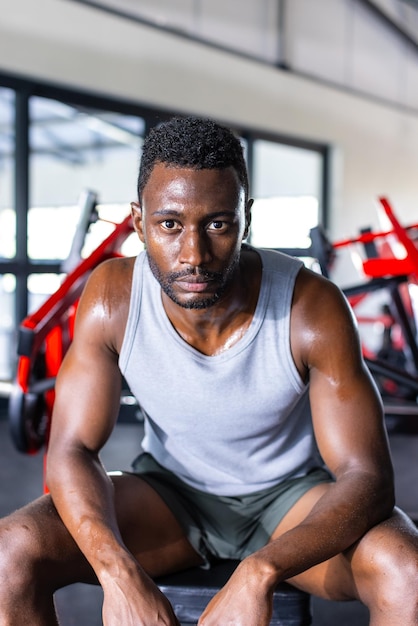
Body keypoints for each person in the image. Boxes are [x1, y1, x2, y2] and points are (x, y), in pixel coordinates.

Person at [1, 115, 418, 626]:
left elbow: (367, 476)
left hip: (287, 503)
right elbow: (72, 448)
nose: (193, 255)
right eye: (169, 225)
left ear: (246, 218)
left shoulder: (311, 307)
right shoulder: (113, 299)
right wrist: (117, 573)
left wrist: (260, 570)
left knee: (408, 570)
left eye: (217, 224)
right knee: (11, 553)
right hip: (169, 499)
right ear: (139, 223)